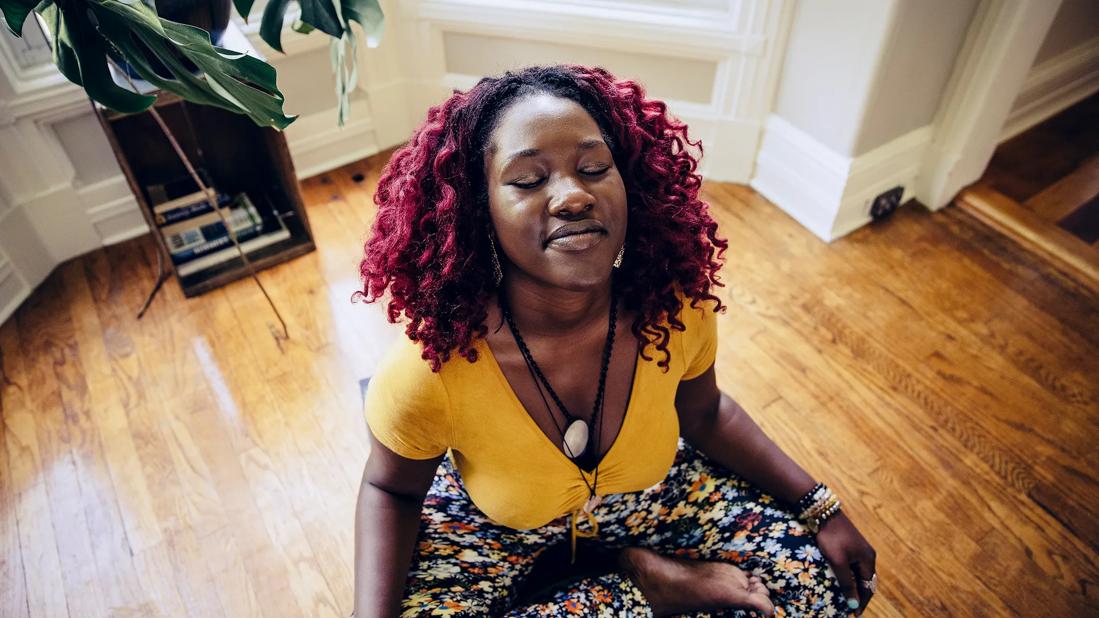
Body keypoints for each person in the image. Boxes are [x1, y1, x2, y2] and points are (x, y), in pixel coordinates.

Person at [353, 65, 877, 617]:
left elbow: (706, 413)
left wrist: (821, 508)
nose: (572, 196)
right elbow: (393, 491)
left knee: (816, 585)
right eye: (528, 180)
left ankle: (615, 580)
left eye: (594, 168)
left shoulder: (671, 308)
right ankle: (642, 589)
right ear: (479, 212)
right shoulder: (432, 368)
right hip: (494, 530)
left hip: (650, 502)